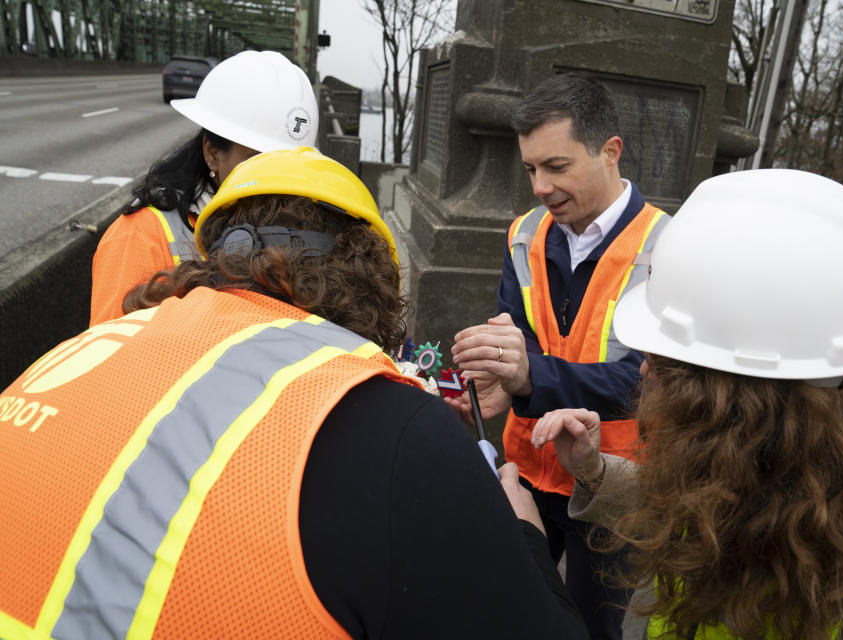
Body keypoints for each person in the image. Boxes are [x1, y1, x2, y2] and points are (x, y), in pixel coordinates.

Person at [0, 148, 589, 640]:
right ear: (375, 275)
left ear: (216, 255)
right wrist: (527, 538)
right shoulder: (402, 430)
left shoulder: (74, 352)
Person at [526, 169, 843, 639]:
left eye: (667, 364)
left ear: (742, 399)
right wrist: (594, 471)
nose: (644, 374)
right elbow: (706, 505)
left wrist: (530, 555)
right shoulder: (767, 458)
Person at [449, 72, 670, 640]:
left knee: (597, 625)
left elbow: (646, 383)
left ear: (610, 151)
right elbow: (519, 332)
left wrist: (529, 377)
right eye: (531, 169)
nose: (541, 186)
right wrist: (501, 371)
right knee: (513, 610)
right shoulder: (524, 232)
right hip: (527, 465)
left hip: (612, 481)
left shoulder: (666, 249)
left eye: (557, 166)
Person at [89, 50, 320, 325]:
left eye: (288, 166)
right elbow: (110, 353)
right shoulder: (140, 237)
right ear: (212, 153)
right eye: (256, 161)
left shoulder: (308, 232)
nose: (275, 180)